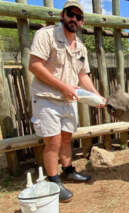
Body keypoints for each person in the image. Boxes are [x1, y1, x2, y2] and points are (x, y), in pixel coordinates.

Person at [29, 0, 106, 202]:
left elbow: (83, 76)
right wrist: (63, 87)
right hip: (47, 98)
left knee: (65, 138)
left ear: (82, 22)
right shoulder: (46, 35)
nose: (74, 19)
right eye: (71, 14)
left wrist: (97, 95)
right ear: (63, 15)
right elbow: (35, 66)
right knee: (52, 141)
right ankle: (54, 183)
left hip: (68, 100)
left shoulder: (80, 47)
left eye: (79, 17)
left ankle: (68, 170)